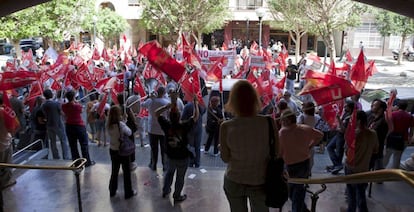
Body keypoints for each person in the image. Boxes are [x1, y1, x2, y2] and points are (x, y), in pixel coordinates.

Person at [219, 80, 276, 212]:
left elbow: (225, 158)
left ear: (233, 101)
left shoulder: (226, 126)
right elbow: (276, 153)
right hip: (260, 181)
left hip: (234, 180)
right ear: (255, 99)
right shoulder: (268, 122)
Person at [156, 92, 199, 202]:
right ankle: (177, 195)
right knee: (180, 177)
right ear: (180, 116)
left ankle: (166, 190)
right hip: (183, 157)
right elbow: (195, 116)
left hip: (170, 155)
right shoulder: (184, 125)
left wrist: (166, 107)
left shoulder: (167, 125)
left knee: (169, 174)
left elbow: (156, 113)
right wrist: (195, 103)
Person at [279, 109, 323, 212]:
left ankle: (298, 210)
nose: (281, 122)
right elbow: (320, 135)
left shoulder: (282, 133)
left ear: (289, 120)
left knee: (293, 193)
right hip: (304, 164)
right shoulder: (305, 128)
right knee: (298, 192)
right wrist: (310, 146)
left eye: (283, 120)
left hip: (290, 166)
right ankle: (302, 210)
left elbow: (280, 153)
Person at [344, 111, 378, 212]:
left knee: (351, 194)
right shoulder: (373, 133)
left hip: (351, 168)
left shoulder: (353, 134)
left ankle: (351, 210)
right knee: (361, 194)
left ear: (358, 121)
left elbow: (347, 152)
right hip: (365, 168)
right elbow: (375, 150)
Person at [106, 105, 137, 199]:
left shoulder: (108, 124)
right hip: (122, 151)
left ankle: (112, 190)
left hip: (113, 149)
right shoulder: (121, 124)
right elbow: (129, 132)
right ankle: (128, 192)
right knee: (126, 172)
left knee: (114, 171)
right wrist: (124, 121)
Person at [61, 90, 95, 167]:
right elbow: (81, 110)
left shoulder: (64, 106)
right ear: (73, 97)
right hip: (79, 126)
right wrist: (76, 102)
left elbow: (63, 111)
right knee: (84, 145)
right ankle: (87, 162)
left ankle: (76, 162)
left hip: (69, 126)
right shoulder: (77, 106)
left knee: (73, 145)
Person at [141, 86, 170, 171]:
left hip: (152, 128)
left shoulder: (150, 101)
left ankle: (153, 165)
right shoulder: (166, 102)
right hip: (163, 129)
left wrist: (148, 97)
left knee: (154, 148)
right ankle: (165, 165)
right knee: (164, 149)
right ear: (164, 93)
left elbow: (142, 104)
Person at [383, 100, 414, 169]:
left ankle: (381, 171)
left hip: (391, 137)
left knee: (387, 155)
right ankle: (394, 173)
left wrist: (385, 137)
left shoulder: (393, 114)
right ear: (406, 107)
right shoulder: (409, 116)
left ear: (398, 106)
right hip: (403, 139)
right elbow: (411, 128)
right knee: (397, 157)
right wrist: (410, 137)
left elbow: (388, 126)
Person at [326, 100, 354, 174]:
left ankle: (337, 165)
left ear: (350, 107)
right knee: (330, 147)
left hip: (342, 136)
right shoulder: (346, 114)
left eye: (346, 106)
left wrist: (338, 119)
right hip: (338, 134)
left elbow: (344, 130)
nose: (344, 107)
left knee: (338, 152)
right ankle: (336, 164)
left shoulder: (350, 117)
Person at [41, 89, 70, 160]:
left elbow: (44, 114)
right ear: (51, 94)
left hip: (49, 125)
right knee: (63, 140)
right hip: (58, 124)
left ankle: (55, 156)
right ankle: (65, 156)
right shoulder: (56, 104)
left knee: (52, 141)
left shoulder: (43, 105)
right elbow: (62, 113)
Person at [181, 97, 206, 168]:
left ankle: (191, 162)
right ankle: (197, 163)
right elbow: (204, 111)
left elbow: (183, 118)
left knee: (191, 146)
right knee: (197, 147)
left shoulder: (187, 106)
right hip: (199, 129)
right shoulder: (201, 105)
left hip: (190, 129)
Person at [0, 93, 17, 190]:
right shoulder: (4, 112)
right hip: (4, 142)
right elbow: (11, 128)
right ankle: (5, 182)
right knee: (7, 164)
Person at [367, 99, 388, 171]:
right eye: (372, 104)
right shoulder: (371, 117)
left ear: (380, 109)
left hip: (377, 148)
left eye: (375, 105)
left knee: (377, 165)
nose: (372, 106)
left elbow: (375, 133)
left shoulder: (383, 121)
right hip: (369, 147)